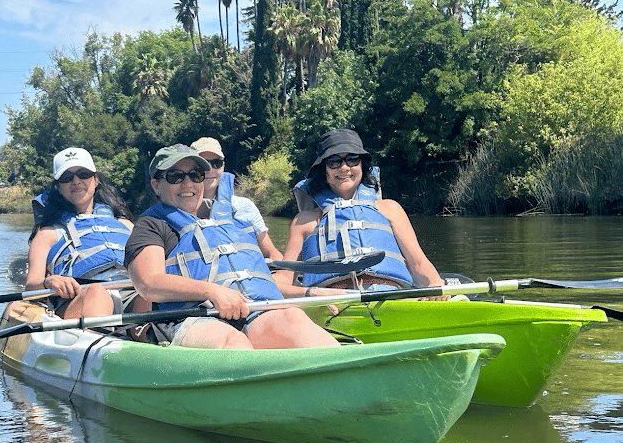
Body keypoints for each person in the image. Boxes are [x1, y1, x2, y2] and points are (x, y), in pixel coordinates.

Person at [124, 144, 340, 350]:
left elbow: (254, 281)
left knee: (292, 318)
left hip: (250, 310)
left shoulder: (228, 224)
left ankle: (344, 369)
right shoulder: (151, 225)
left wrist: (306, 294)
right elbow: (148, 282)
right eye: (175, 176)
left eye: (196, 175)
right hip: (191, 316)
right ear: (156, 184)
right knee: (234, 343)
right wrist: (212, 291)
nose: (188, 184)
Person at [280, 129, 446, 297]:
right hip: (332, 304)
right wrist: (310, 293)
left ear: (362, 165)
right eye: (334, 162)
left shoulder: (391, 209)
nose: (344, 167)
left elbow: (419, 264)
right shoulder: (304, 221)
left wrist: (435, 282)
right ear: (324, 170)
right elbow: (282, 280)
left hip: (391, 298)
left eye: (353, 159)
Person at [26, 147, 147, 320]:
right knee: (97, 293)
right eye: (67, 177)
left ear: (95, 180)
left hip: (129, 291)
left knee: (148, 295)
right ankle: (101, 334)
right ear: (58, 187)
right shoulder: (47, 233)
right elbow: (31, 285)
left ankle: (148, 332)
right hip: (79, 298)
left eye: (83, 174)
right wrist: (49, 281)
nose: (76, 181)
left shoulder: (125, 224)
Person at [190, 137, 283, 260]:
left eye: (216, 163)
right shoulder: (179, 209)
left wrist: (282, 271)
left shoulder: (245, 206)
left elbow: (271, 252)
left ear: (223, 166)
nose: (210, 170)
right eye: (203, 164)